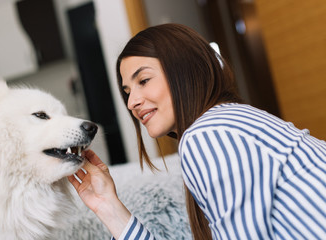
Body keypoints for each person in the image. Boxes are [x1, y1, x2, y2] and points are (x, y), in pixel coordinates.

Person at [68, 23, 326, 240]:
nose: (132, 102)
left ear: (184, 72)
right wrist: (107, 204)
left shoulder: (209, 134)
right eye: (127, 91)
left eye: (143, 81)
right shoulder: (225, 123)